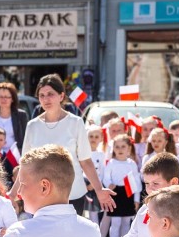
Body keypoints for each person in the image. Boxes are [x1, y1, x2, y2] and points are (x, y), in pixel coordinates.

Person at [23, 74, 115, 215]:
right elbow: (25, 164)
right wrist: (14, 192)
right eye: (41, 95)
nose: (46, 99)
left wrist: (99, 189)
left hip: (73, 194)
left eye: (50, 94)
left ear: (61, 96)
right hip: (41, 196)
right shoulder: (32, 126)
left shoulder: (76, 123)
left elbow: (86, 161)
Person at [102, 152, 179, 237]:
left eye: (155, 183)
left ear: (173, 182)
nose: (150, 189)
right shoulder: (144, 210)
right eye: (147, 183)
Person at [100, 135, 141, 237]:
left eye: (123, 146)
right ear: (113, 148)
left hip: (128, 194)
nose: (120, 149)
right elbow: (106, 177)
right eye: (117, 147)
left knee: (126, 223)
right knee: (115, 222)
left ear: (129, 148)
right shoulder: (112, 163)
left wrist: (136, 199)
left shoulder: (131, 164)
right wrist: (109, 185)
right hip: (115, 194)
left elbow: (136, 181)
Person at [0, 82, 29, 152]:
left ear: (12, 99)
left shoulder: (21, 116)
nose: (3, 99)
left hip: (15, 157)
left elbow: (26, 139)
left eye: (7, 97)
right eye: (1, 97)